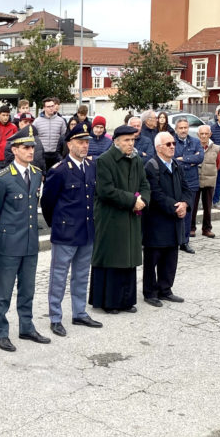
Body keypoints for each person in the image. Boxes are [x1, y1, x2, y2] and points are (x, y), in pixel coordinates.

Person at [0, 125, 49, 350]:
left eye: (32, 147)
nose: (30, 151)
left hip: (30, 241)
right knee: (3, 290)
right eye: (25, 147)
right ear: (14, 150)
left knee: (28, 289)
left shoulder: (36, 173)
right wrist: (1, 235)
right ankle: (1, 332)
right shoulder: (3, 177)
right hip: (9, 242)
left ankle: (26, 327)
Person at [41, 122, 102, 336]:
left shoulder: (91, 166)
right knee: (59, 276)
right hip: (66, 232)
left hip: (86, 230)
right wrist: (57, 225)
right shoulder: (59, 171)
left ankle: (79, 313)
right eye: (80, 142)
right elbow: (47, 203)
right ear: (69, 144)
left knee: (82, 274)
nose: (85, 146)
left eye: (87, 142)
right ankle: (55, 317)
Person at [89, 125, 149, 313]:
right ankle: (109, 302)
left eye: (133, 140)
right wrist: (133, 200)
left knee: (128, 259)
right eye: (126, 140)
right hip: (111, 217)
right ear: (116, 141)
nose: (130, 144)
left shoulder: (137, 159)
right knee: (112, 258)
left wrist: (143, 200)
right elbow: (106, 191)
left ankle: (126, 300)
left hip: (131, 215)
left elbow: (145, 183)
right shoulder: (105, 160)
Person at [142, 131, 192, 307]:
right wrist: (175, 207)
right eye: (168, 144)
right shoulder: (151, 166)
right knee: (153, 258)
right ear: (158, 148)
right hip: (156, 221)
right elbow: (155, 194)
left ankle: (165, 289)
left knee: (170, 257)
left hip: (174, 220)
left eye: (173, 143)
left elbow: (187, 188)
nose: (172, 146)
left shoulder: (176, 165)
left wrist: (185, 204)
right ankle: (150, 292)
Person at [173, 117, 204, 252]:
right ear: (176, 129)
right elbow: (173, 160)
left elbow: (200, 158)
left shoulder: (195, 142)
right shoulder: (171, 142)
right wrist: (190, 161)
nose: (183, 130)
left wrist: (183, 159)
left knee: (187, 213)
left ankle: (185, 242)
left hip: (191, 182)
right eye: (181, 128)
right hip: (175, 182)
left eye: (185, 127)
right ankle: (173, 240)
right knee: (174, 211)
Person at [192, 125, 220, 239]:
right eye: (201, 134)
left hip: (209, 181)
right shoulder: (194, 146)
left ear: (210, 134)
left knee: (207, 206)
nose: (204, 136)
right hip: (195, 180)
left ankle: (207, 229)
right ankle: (191, 228)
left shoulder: (216, 148)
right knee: (193, 206)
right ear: (198, 135)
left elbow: (218, 164)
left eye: (206, 134)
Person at [33, 97, 67, 169]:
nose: (51, 108)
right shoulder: (37, 121)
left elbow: (64, 138)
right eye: (48, 106)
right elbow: (33, 138)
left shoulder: (61, 121)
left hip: (56, 155)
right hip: (42, 154)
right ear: (44, 108)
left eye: (52, 106)